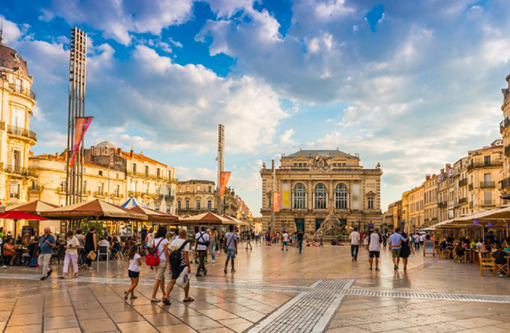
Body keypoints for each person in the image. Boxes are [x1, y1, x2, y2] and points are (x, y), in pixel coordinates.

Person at [163, 228, 193, 305]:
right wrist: (189, 266)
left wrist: (170, 263)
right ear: (185, 234)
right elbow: (186, 256)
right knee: (186, 279)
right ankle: (186, 296)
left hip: (174, 264)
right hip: (182, 264)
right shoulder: (186, 243)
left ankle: (166, 295)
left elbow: (170, 252)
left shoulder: (173, 241)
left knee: (173, 279)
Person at [150, 227, 169, 303]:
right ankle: (153, 296)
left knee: (162, 277)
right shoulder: (165, 240)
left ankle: (164, 293)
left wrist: (151, 263)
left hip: (155, 260)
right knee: (158, 279)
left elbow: (151, 251)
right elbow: (166, 253)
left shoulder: (154, 240)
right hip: (162, 260)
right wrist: (169, 263)